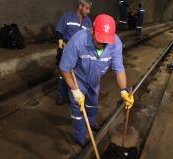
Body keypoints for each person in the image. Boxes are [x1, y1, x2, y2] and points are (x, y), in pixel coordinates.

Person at [59, 14, 134, 147]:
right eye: (99, 40)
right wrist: (75, 91)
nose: (101, 45)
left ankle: (92, 123)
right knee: (78, 110)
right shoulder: (78, 40)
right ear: (92, 30)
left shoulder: (115, 43)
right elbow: (65, 69)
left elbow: (119, 68)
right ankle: (80, 137)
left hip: (95, 80)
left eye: (105, 42)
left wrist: (123, 91)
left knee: (93, 103)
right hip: (78, 80)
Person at [55, 0, 93, 105]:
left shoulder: (88, 22)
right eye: (87, 8)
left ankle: (73, 95)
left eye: (89, 9)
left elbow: (89, 37)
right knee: (64, 73)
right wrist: (60, 40)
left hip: (80, 53)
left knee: (76, 75)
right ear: (80, 6)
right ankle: (60, 95)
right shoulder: (67, 17)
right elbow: (59, 31)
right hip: (66, 50)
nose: (88, 11)